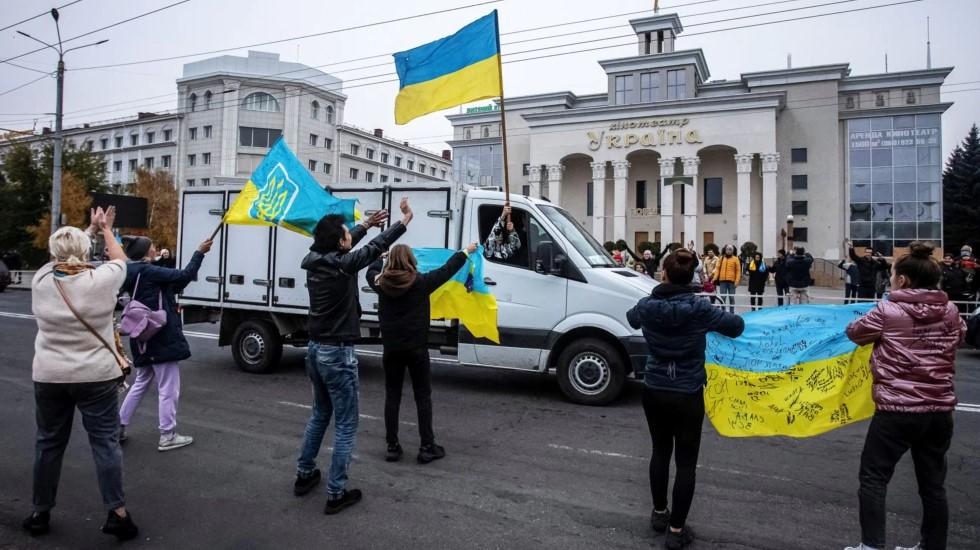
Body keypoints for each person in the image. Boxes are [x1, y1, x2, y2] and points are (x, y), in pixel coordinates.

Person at [25, 207, 139, 540]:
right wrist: (105, 228)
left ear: (53, 253)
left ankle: (39, 513)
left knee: (48, 444)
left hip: (49, 375)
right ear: (87, 253)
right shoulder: (101, 280)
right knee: (104, 444)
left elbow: (65, 253)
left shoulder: (41, 279)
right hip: (96, 376)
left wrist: (87, 229)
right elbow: (119, 258)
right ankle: (117, 514)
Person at [844, 242, 966, 550]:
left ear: (903, 280)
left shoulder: (887, 310)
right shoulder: (951, 311)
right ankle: (932, 545)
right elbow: (961, 335)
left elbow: (855, 332)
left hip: (897, 410)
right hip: (939, 411)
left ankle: (872, 546)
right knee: (933, 486)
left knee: (873, 478)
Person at [294, 199, 412, 515]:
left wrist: (366, 225)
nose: (350, 236)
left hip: (316, 348)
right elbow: (371, 251)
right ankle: (336, 492)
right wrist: (402, 224)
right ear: (339, 242)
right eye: (346, 233)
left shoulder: (316, 259)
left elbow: (350, 248)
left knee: (320, 414)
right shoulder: (342, 264)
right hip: (337, 352)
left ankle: (304, 474)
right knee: (346, 423)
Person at [627, 249, 744, 550]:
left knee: (660, 451)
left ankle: (659, 513)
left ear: (663, 274)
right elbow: (736, 327)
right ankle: (676, 530)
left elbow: (631, 319)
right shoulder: (699, 308)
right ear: (692, 277)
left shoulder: (647, 305)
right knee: (686, 463)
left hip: (654, 388)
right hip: (688, 391)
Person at [367, 242, 477, 464]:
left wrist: (380, 257)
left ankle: (392, 446)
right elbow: (447, 270)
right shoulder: (421, 282)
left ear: (391, 262)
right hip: (417, 349)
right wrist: (466, 251)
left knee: (393, 396)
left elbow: (370, 272)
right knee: (422, 397)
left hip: (392, 349)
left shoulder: (381, 283)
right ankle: (427, 446)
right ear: (411, 261)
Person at [117, 234, 213, 451]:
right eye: (152, 246)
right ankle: (167, 435)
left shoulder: (130, 271)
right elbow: (185, 275)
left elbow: (168, 284)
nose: (155, 249)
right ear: (145, 251)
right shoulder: (149, 271)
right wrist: (199, 253)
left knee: (141, 382)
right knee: (169, 388)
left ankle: (118, 426)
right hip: (160, 335)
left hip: (142, 335)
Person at [711, 245, 741, 313]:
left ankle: (732, 313)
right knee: (723, 298)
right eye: (727, 249)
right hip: (722, 281)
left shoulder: (736, 259)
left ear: (733, 250)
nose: (729, 250)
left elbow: (738, 271)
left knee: (731, 298)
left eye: (730, 249)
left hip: (732, 282)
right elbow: (717, 269)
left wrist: (736, 282)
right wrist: (714, 278)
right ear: (725, 250)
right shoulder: (721, 258)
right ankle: (723, 312)